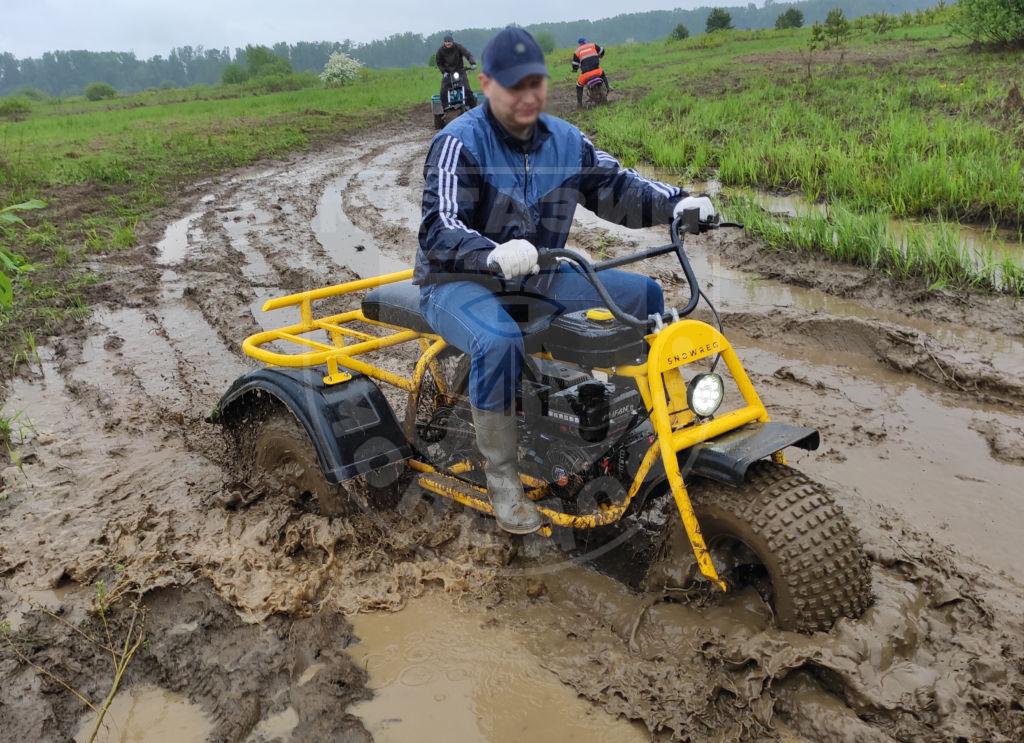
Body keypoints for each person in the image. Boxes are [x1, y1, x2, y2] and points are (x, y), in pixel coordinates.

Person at [415, 27, 715, 534]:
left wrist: (677, 202)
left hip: (539, 277)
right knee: (497, 339)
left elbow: (618, 187)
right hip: (457, 282)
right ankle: (504, 480)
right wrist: (490, 253)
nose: (526, 96)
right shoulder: (457, 143)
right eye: (513, 86)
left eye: (535, 83)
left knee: (644, 295)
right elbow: (437, 227)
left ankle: (624, 434)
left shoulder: (566, 141)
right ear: (486, 84)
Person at [436, 33, 478, 108]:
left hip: (460, 71)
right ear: (444, 42)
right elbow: (439, 63)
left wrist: (473, 63)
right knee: (443, 91)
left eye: (449, 41)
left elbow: (467, 54)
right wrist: (444, 72)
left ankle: (473, 108)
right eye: (446, 41)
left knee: (467, 89)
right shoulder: (440, 51)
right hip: (448, 74)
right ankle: (445, 109)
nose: (448, 43)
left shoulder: (458, 47)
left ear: (452, 41)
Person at [572, 37, 611, 108]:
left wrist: (575, 69)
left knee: (579, 86)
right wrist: (600, 56)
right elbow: (602, 51)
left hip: (586, 75)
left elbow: (575, 64)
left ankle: (579, 104)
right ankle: (608, 88)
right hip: (597, 71)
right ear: (586, 42)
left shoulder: (577, 51)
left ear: (579, 44)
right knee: (603, 74)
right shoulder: (593, 45)